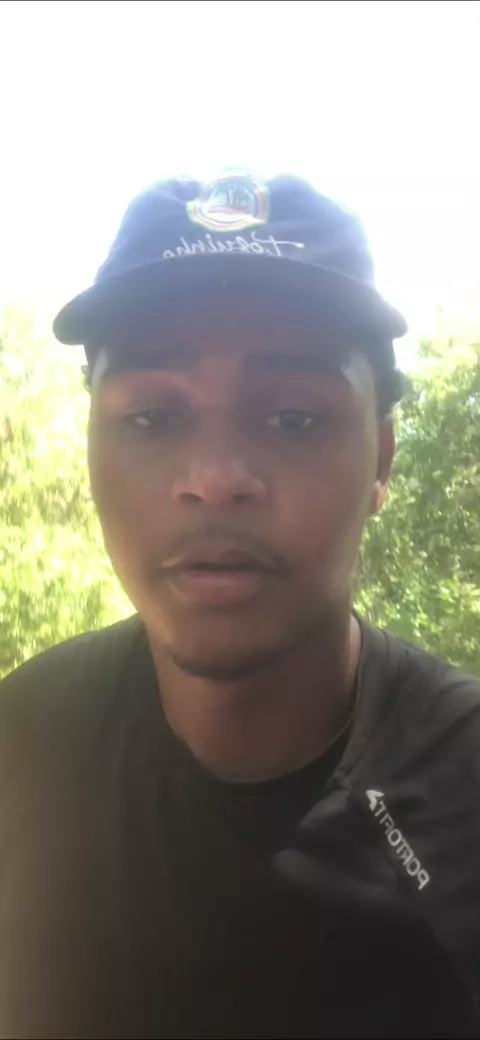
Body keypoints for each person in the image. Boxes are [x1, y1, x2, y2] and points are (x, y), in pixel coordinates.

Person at [0, 171, 479, 1040]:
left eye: (293, 419)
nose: (216, 479)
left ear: (381, 461)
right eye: (153, 418)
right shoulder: (18, 753)